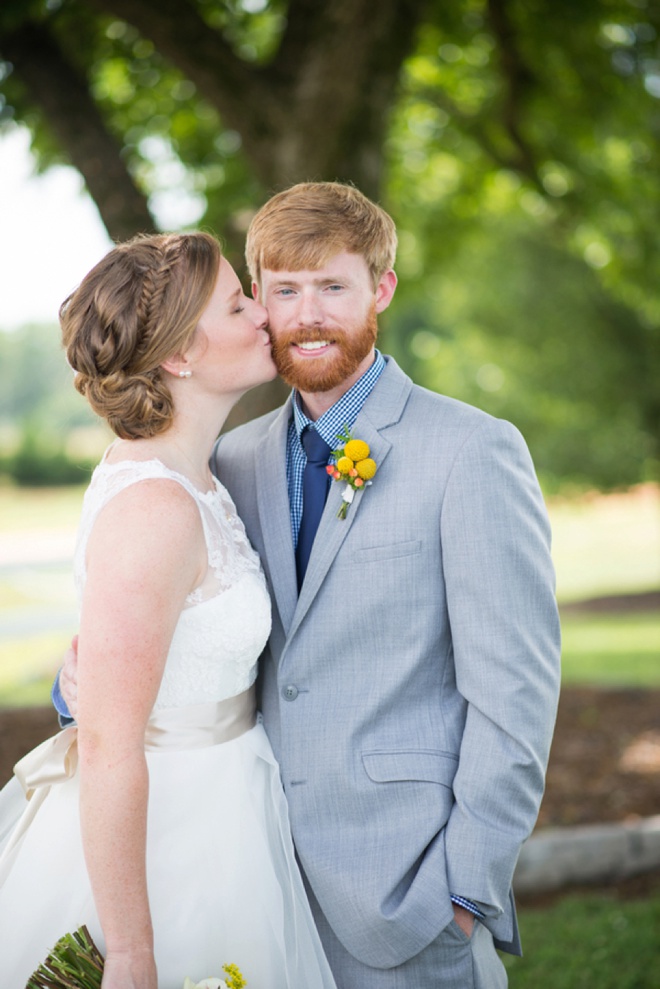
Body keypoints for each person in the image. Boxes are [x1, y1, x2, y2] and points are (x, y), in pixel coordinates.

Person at [56, 182, 561, 988]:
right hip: (250, 873)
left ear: (382, 289)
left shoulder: (471, 451)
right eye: (284, 290)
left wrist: (465, 884)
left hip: (406, 888)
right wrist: (75, 681)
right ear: (258, 300)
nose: (308, 313)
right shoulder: (227, 463)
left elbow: (517, 692)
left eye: (334, 285)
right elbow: (159, 628)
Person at [0, 232, 337, 989]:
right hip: (171, 841)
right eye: (238, 302)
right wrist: (130, 953)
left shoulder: (198, 478)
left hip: (230, 809)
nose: (263, 316)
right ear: (181, 354)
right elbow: (110, 746)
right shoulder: (155, 506)